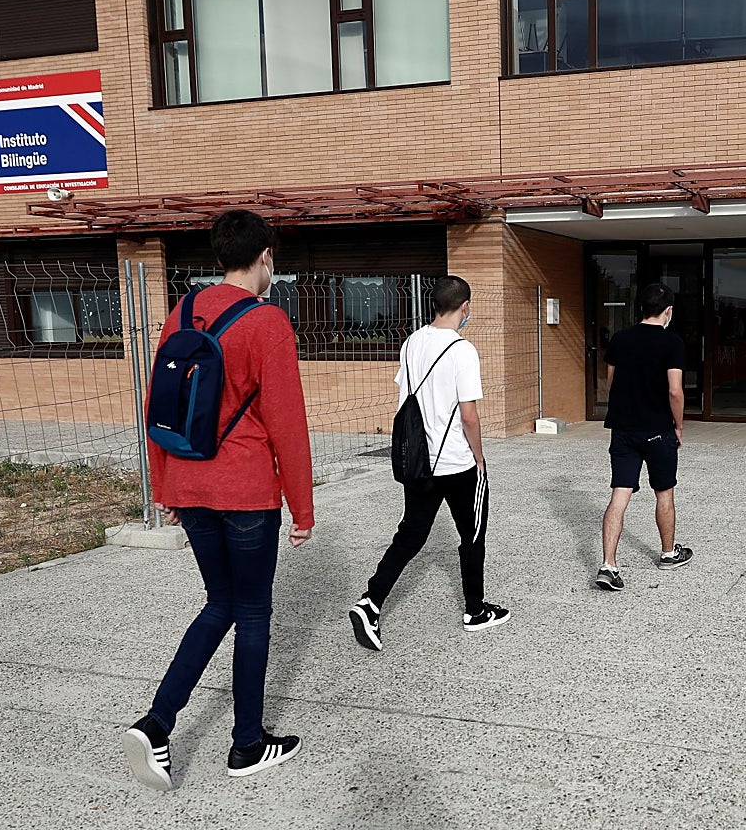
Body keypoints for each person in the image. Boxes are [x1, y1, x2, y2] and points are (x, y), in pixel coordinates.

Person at [122, 210, 314, 790]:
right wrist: (302, 508)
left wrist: (165, 487)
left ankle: (157, 723)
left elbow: (159, 408)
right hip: (247, 491)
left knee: (219, 602)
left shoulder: (180, 313)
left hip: (189, 482)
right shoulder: (267, 322)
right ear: (265, 258)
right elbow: (287, 423)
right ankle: (247, 743)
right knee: (252, 609)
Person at [349, 275, 509, 651]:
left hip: (418, 460)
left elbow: (408, 396)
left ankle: (370, 601)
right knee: (472, 534)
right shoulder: (462, 350)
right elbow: (469, 414)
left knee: (411, 534)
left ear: (433, 304)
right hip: (456, 462)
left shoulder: (411, 343)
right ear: (465, 307)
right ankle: (475, 611)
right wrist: (479, 457)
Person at [597, 282, 692, 592]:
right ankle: (667, 554)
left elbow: (610, 385)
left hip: (624, 431)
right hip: (658, 431)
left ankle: (609, 565)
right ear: (668, 311)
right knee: (664, 493)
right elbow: (675, 390)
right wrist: (678, 425)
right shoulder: (672, 343)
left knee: (619, 496)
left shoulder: (620, 339)